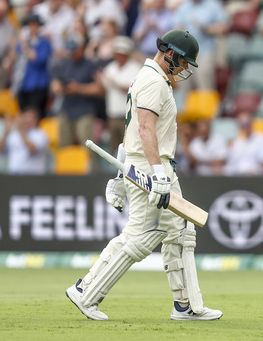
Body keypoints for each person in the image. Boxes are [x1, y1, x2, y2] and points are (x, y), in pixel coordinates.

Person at [65, 29, 223, 321]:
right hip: (150, 167)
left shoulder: (152, 77)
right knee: (140, 236)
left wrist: (118, 176)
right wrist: (158, 173)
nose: (186, 67)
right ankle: (86, 292)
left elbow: (130, 130)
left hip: (149, 164)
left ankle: (185, 306)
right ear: (171, 54)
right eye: (184, 61)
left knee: (180, 231)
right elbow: (144, 129)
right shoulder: (153, 81)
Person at [50, 34, 104, 148]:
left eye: (74, 50)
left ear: (82, 48)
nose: (72, 53)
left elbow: (100, 90)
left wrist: (78, 88)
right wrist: (57, 87)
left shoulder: (90, 65)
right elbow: (54, 82)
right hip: (66, 109)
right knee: (64, 147)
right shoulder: (65, 63)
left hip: (84, 111)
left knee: (88, 148)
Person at [101, 36, 141, 154]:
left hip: (128, 116)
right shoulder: (110, 68)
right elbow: (104, 89)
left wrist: (114, 84)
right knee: (113, 147)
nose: (118, 56)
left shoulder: (135, 68)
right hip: (112, 114)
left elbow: (133, 90)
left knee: (129, 148)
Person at [12, 14, 52, 118]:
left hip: (38, 85)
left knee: (35, 115)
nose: (32, 27)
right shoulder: (24, 42)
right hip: (23, 85)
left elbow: (37, 59)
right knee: (23, 114)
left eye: (35, 24)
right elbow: (15, 59)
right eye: (30, 25)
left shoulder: (44, 43)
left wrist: (25, 46)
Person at [0, 107, 49, 175]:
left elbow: (32, 149)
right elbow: (0, 149)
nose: (25, 120)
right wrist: (6, 131)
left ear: (36, 120)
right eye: (24, 117)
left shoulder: (40, 134)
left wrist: (21, 130)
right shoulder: (14, 135)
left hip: (33, 177)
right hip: (15, 177)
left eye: (28, 117)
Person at [224, 111, 263, 176]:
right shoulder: (235, 142)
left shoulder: (262, 139)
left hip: (256, 175)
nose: (245, 126)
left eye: (247, 123)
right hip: (237, 175)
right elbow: (232, 164)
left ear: (252, 123)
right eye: (242, 124)